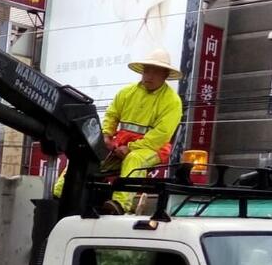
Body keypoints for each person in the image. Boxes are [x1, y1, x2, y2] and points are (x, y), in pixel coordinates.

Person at [55, 49, 185, 214]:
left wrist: (130, 148)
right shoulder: (126, 93)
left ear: (165, 75)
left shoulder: (172, 101)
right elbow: (112, 115)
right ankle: (59, 194)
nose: (149, 76)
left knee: (134, 159)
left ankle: (119, 205)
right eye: (147, 70)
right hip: (119, 144)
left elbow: (161, 135)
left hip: (152, 149)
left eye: (155, 72)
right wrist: (107, 136)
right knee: (88, 153)